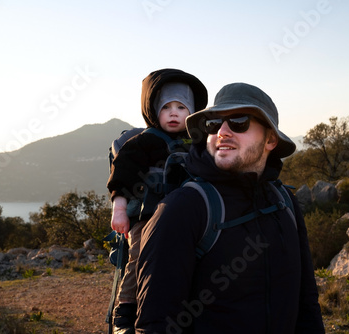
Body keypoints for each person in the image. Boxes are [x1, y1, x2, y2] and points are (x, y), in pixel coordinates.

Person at [135, 82, 325, 333]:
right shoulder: (184, 208)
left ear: (270, 140)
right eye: (213, 124)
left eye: (239, 121)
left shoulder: (284, 203)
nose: (222, 131)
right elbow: (156, 323)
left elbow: (307, 302)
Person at [106, 68, 208, 333]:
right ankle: (125, 312)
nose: (174, 113)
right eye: (166, 108)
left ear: (192, 112)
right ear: (153, 111)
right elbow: (123, 175)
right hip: (146, 217)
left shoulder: (196, 143)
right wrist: (119, 210)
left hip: (185, 219)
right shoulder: (145, 142)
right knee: (139, 258)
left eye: (181, 107)